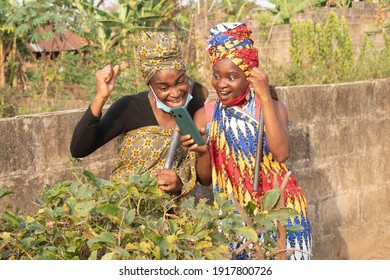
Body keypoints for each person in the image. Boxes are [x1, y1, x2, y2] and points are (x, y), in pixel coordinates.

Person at [181, 22, 312, 259]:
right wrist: (202, 152)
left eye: (232, 77)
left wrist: (264, 97)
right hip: (233, 220)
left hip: (279, 211)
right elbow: (204, 180)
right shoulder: (206, 114)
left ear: (249, 76)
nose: (221, 84)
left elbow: (281, 154)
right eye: (216, 76)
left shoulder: (270, 108)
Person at [70, 31, 209, 196]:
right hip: (126, 206)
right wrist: (101, 97)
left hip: (171, 213)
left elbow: (204, 179)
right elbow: (79, 149)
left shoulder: (196, 109)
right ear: (150, 85)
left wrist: (182, 180)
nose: (175, 93)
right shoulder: (130, 107)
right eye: (163, 88)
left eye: (180, 82)